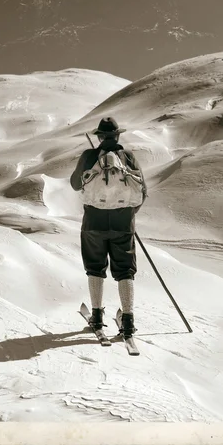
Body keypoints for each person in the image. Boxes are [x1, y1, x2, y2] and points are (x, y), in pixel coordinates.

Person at [70, 117, 147, 338]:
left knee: (95, 267)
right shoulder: (128, 157)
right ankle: (129, 321)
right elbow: (143, 190)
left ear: (99, 137)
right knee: (125, 271)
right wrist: (129, 215)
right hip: (123, 223)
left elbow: (76, 184)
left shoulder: (89, 156)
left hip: (94, 222)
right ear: (118, 135)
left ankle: (97, 315)